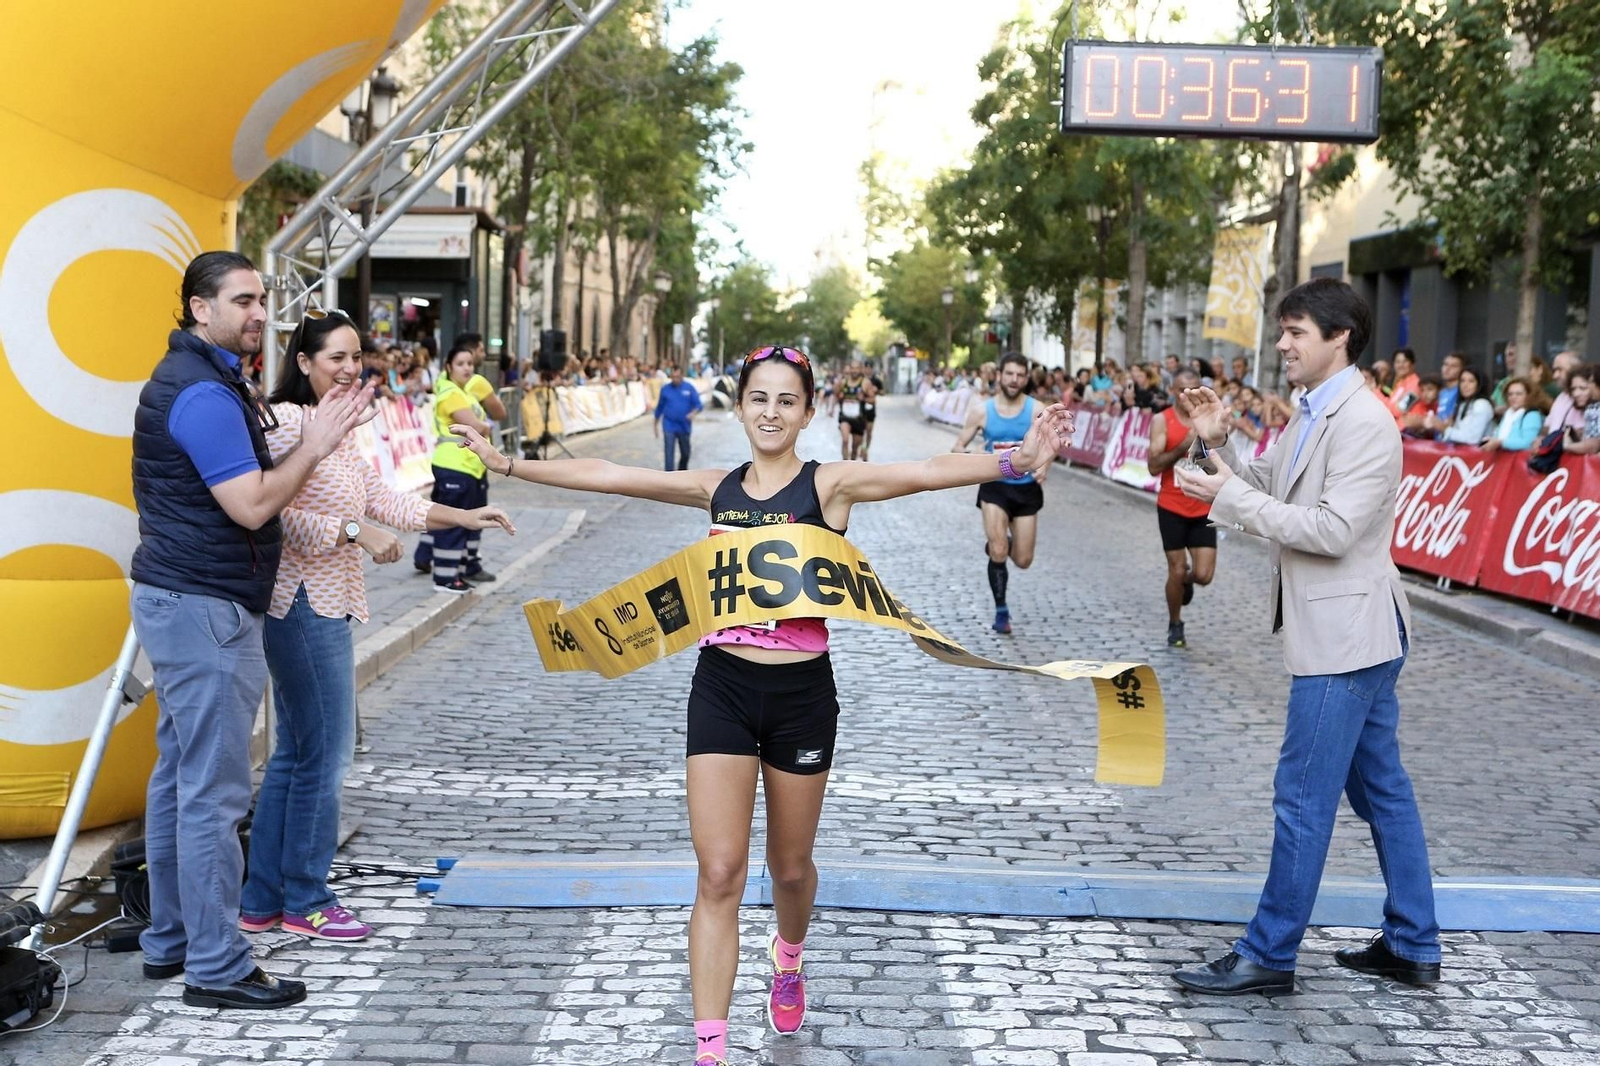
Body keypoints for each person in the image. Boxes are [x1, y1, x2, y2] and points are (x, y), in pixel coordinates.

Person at [446, 344, 1070, 1066]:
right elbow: (614, 473)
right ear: (739, 405)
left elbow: (925, 473)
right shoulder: (717, 487)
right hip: (723, 689)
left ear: (809, 411)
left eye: (786, 400)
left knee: (791, 870)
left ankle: (791, 955)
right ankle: (710, 1051)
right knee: (718, 874)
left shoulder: (829, 485)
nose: (770, 412)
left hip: (802, 696)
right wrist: (511, 464)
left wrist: (1015, 462)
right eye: (758, 398)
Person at [1171, 277, 1440, 996]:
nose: (1282, 345)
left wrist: (1230, 493)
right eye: (1283, 331)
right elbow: (1261, 483)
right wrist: (1214, 445)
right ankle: (1414, 943)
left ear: (1339, 336)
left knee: (1302, 796)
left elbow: (1329, 528)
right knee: (1384, 791)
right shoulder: (1313, 410)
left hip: (1348, 641)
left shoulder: (1364, 421)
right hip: (1354, 634)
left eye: (1294, 332)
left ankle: (1270, 954)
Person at [130, 251, 375, 1009]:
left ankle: (172, 940)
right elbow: (252, 505)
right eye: (243, 299)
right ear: (200, 309)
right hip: (204, 604)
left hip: (188, 597)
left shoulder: (209, 379)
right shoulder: (200, 393)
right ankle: (216, 966)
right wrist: (316, 445)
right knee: (211, 789)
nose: (259, 311)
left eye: (262, 297)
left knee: (181, 774)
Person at [244, 313, 514, 941]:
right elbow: (271, 517)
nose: (349, 367)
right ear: (303, 362)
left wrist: (464, 519)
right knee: (326, 755)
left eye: (356, 356)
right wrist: (351, 532)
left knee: (296, 753)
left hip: (324, 603)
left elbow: (384, 499)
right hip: (302, 603)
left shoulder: (336, 431)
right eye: (335, 357)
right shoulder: (289, 425)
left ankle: (262, 899)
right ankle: (306, 897)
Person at [952, 352, 1052, 634]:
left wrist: (1045, 464)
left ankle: (1003, 544)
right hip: (994, 486)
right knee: (998, 550)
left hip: (1026, 490)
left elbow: (1051, 442)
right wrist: (971, 454)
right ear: (999, 375)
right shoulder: (982, 411)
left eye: (1020, 375)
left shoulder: (1036, 410)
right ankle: (1001, 612)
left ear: (1026, 378)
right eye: (1009, 374)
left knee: (1023, 560)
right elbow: (958, 445)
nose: (1014, 380)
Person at [416, 345, 497, 592]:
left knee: (461, 521)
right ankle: (445, 578)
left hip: (468, 466)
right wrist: (485, 425)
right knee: (452, 523)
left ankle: (455, 572)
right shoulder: (451, 393)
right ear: (449, 367)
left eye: (470, 364)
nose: (467, 368)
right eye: (461, 363)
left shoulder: (464, 393)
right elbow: (474, 425)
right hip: (455, 465)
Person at [1146, 370, 1216, 648]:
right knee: (1175, 570)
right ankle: (1175, 624)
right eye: (1182, 390)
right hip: (1172, 505)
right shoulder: (1162, 420)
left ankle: (1184, 582)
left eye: (1193, 390)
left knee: (1203, 576)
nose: (1188, 396)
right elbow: (1153, 466)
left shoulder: (1210, 418)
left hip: (1202, 507)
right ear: (1173, 391)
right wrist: (1183, 446)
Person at [655, 364, 704, 470]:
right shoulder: (665, 389)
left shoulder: (689, 388)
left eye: (678, 377)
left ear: (682, 376)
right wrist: (655, 424)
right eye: (673, 377)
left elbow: (699, 405)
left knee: (685, 453)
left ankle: (682, 473)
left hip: (684, 426)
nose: (675, 379)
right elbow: (659, 407)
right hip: (669, 425)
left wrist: (693, 413)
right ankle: (669, 478)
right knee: (669, 453)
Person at [1480, 378, 1547, 452]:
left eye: (1519, 394)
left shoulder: (1532, 415)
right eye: (1510, 394)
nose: (1513, 397)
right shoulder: (1508, 414)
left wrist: (1500, 442)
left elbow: (1528, 443)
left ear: (1528, 396)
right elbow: (1497, 435)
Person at [1438, 367, 1495, 445]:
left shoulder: (1482, 404)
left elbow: (1473, 439)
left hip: (1480, 456)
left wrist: (1444, 429)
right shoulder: (1462, 404)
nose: (1465, 385)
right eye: (1462, 381)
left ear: (1479, 384)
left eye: (1471, 381)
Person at [1543, 351, 1586, 434]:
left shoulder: (1586, 398)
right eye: (1554, 370)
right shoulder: (1561, 397)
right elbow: (1548, 426)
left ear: (1576, 369)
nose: (1555, 376)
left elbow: (1585, 433)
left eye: (1560, 370)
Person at [837, 361, 871, 460]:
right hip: (845, 417)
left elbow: (872, 400)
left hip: (859, 419)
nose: (854, 371)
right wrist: (840, 396)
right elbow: (836, 394)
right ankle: (844, 463)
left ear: (860, 370)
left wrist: (863, 399)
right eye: (852, 368)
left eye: (857, 368)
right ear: (849, 369)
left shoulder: (865, 383)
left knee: (855, 447)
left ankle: (851, 463)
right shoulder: (843, 382)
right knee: (845, 440)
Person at [1563, 367, 1599, 456]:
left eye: (1583, 388)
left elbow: (1593, 445)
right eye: (1573, 389)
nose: (1576, 394)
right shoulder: (1591, 408)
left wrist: (1568, 445)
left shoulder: (1594, 409)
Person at [1382, 347, 1420, 423]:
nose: (1401, 365)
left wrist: (1376, 392)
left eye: (1405, 361)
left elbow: (1400, 410)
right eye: (1397, 362)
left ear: (1412, 364)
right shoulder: (1400, 383)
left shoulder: (1416, 384)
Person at [860, 364, 886, 459]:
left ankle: (866, 448)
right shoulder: (860, 379)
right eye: (865, 368)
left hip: (871, 407)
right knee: (860, 430)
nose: (867, 370)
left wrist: (877, 391)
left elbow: (883, 392)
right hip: (860, 408)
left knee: (869, 431)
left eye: (869, 368)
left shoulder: (876, 380)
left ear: (871, 369)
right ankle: (862, 449)